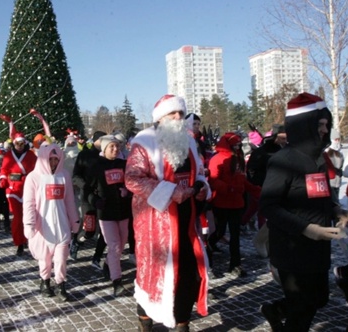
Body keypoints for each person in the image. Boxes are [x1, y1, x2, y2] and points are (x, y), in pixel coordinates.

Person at [259, 92, 348, 331]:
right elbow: (269, 206)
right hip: (292, 250)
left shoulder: (319, 160)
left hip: (318, 250)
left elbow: (320, 197)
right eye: (319, 124)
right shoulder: (283, 159)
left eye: (326, 124)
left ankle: (276, 310)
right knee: (302, 308)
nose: (324, 130)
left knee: (319, 299)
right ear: (303, 125)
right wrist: (307, 229)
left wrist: (336, 210)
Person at [125, 94, 209, 331]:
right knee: (154, 276)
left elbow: (200, 172)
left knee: (188, 272)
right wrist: (170, 192)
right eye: (172, 113)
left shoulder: (190, 142)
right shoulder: (144, 142)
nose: (177, 118)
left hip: (187, 220)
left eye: (181, 114)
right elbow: (132, 179)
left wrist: (202, 187)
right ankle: (145, 320)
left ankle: (183, 323)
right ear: (160, 118)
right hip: (156, 224)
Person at [23, 143, 79, 301]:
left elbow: (69, 201)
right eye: (50, 159)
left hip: (62, 226)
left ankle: (61, 283)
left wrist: (74, 220)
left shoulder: (64, 176)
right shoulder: (33, 178)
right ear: (43, 159)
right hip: (43, 228)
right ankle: (45, 281)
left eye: (56, 159)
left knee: (61, 259)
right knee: (45, 259)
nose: (53, 163)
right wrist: (29, 224)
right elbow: (29, 203)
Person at [207, 132, 261, 277]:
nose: (238, 147)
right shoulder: (217, 159)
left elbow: (242, 180)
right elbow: (213, 180)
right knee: (219, 232)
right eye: (236, 144)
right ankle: (208, 252)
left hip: (236, 204)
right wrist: (229, 188)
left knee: (235, 236)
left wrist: (256, 191)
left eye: (239, 145)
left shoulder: (238, 159)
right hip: (221, 203)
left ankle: (235, 265)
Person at [87, 135, 132, 296]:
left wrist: (127, 192)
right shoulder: (96, 166)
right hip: (106, 213)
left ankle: (108, 264)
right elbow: (86, 191)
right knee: (114, 246)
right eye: (111, 147)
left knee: (121, 244)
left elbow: (132, 184)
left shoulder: (123, 164)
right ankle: (117, 281)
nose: (115, 149)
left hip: (123, 211)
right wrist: (95, 201)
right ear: (104, 149)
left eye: (117, 147)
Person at [246, 124, 287, 258]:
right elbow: (252, 170)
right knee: (266, 215)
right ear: (275, 136)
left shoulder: (286, 150)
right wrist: (259, 184)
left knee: (278, 217)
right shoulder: (262, 152)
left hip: (282, 188)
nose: (285, 140)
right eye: (282, 137)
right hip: (265, 188)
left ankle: (272, 242)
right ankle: (260, 240)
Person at [70, 130, 106, 261]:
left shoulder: (107, 156)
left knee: (105, 230)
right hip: (88, 198)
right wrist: (84, 186)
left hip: (104, 197)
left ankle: (97, 257)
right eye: (102, 140)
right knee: (89, 231)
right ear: (96, 140)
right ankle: (77, 242)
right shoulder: (84, 155)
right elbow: (75, 176)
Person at [0, 133, 37, 256]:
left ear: (25, 143)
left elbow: (37, 170)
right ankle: (19, 242)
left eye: (21, 143)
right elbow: (4, 170)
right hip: (13, 188)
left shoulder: (31, 155)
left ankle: (27, 238)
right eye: (17, 143)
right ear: (13, 143)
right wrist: (3, 179)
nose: (19, 146)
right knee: (17, 216)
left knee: (28, 215)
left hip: (28, 188)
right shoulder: (8, 155)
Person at [325, 129, 344, 199]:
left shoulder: (340, 154)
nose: (337, 142)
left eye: (339, 139)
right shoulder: (325, 153)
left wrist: (340, 171)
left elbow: (341, 166)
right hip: (329, 183)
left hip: (337, 183)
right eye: (336, 139)